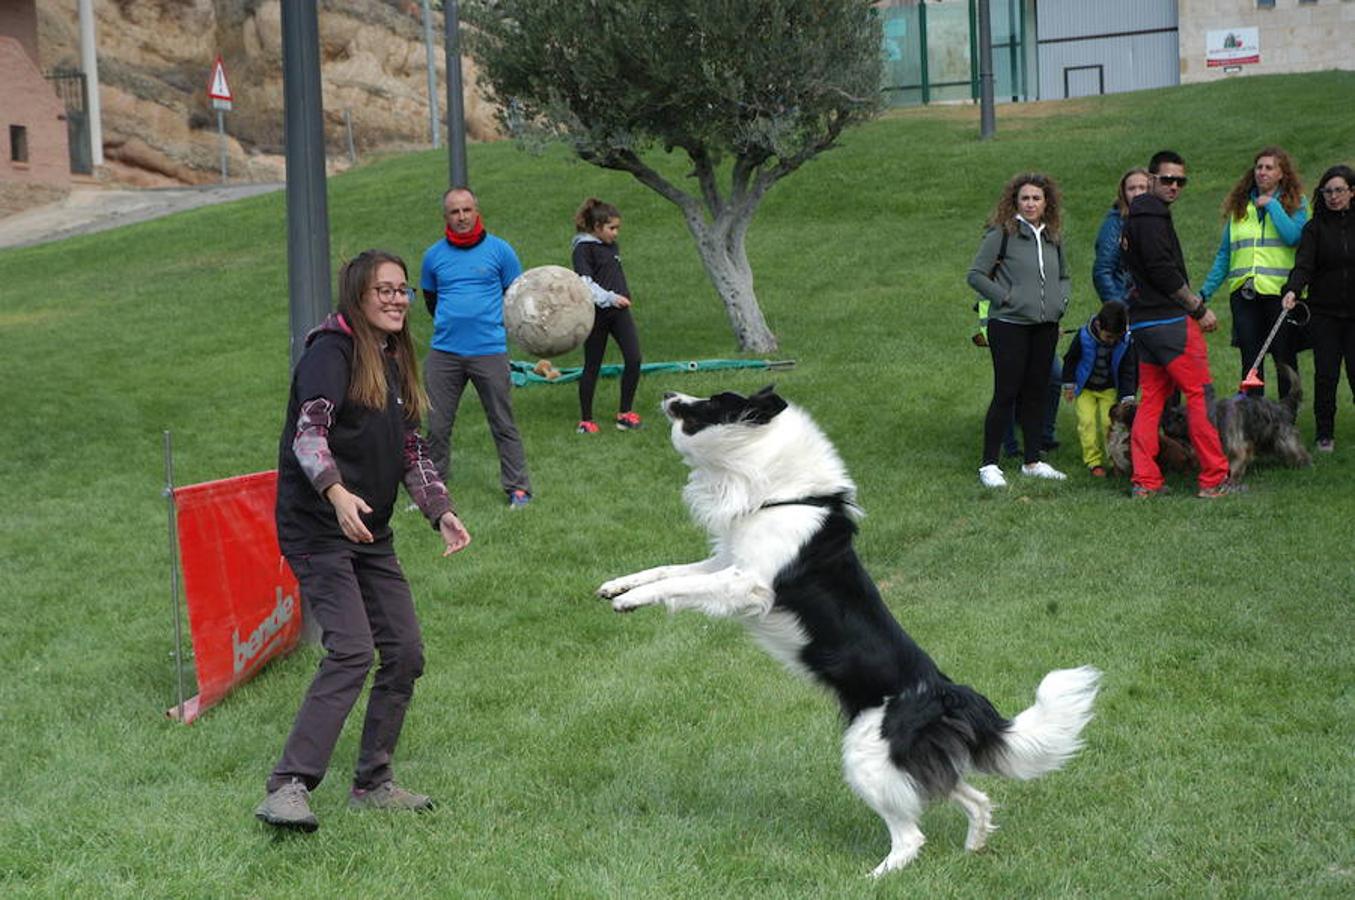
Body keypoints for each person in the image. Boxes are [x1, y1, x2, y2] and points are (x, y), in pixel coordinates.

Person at [257, 250, 473, 832]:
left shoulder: (393, 355)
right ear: (358, 295)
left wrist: (439, 510)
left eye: (403, 290)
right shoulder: (330, 353)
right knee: (352, 648)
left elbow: (409, 446)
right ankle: (288, 785)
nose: (398, 299)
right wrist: (334, 491)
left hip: (369, 531)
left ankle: (373, 783)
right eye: (385, 290)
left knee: (404, 651)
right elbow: (310, 434)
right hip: (318, 528)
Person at [1120, 150, 1234, 499]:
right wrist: (1198, 310)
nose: (1174, 186)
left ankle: (1145, 481)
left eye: (1180, 181)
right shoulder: (1152, 217)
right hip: (1170, 322)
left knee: (1152, 398)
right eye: (1167, 179)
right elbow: (1163, 271)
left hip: (1143, 324)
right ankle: (1214, 479)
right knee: (1200, 395)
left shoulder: (1134, 217)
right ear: (1151, 178)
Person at [421, 187, 534, 509]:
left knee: (502, 422)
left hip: (489, 350)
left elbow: (515, 298)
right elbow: (432, 301)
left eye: (466, 210)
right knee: (437, 426)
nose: (461, 217)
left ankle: (518, 489)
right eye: (454, 212)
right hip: (445, 353)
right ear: (446, 217)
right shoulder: (434, 256)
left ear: (476, 211)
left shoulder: (500, 251)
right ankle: (432, 490)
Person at [968, 172, 1071, 488]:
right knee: (1007, 393)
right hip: (1009, 325)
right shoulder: (1002, 234)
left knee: (1037, 392)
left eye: (1036, 198)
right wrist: (1006, 297)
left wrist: (1060, 301)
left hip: (1045, 326)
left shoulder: (1052, 236)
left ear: (1046, 202)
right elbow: (975, 275)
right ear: (1015, 201)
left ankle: (1033, 460)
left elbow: (1064, 276)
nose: (1030, 203)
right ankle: (989, 465)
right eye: (1024, 198)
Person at [1200, 147, 1309, 399]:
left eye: (1269, 167)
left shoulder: (1297, 203)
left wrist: (1272, 205)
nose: (1262, 172)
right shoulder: (1241, 207)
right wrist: (1205, 291)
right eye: (1259, 167)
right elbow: (1225, 255)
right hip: (1244, 295)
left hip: (1281, 294)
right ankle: (1253, 420)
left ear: (1282, 173)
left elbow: (1293, 237)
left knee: (1284, 356)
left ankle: (1286, 420)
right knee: (1250, 359)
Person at [1280, 164, 1355, 452]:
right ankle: (1325, 433)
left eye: (1339, 190)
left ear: (1352, 192)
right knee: (1326, 374)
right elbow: (1304, 266)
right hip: (1325, 314)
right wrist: (1292, 290)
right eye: (1327, 191)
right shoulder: (1314, 228)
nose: (1333, 196)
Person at [571, 198, 644, 433]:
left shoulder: (611, 246)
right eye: (612, 228)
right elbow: (586, 284)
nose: (616, 233)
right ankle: (586, 420)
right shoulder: (583, 249)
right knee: (593, 365)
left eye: (617, 228)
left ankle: (625, 413)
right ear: (596, 227)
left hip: (620, 314)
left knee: (634, 358)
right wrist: (611, 297)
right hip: (597, 315)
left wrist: (620, 299)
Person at [1061, 301, 1137, 477]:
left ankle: (1115, 460)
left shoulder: (1125, 342)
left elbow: (1128, 370)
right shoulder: (1083, 336)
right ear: (1098, 325)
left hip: (1109, 389)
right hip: (1085, 389)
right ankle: (1093, 461)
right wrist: (1069, 385)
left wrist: (1127, 396)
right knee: (1086, 422)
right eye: (1109, 336)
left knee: (1108, 423)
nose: (1112, 341)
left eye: (1116, 337)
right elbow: (1070, 359)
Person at [1092, 167, 1151, 303]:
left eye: (1142, 188)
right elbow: (1103, 271)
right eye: (1131, 189)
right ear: (1123, 193)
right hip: (1129, 304)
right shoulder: (1114, 224)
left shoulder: (1154, 222)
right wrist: (1119, 307)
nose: (1137, 193)